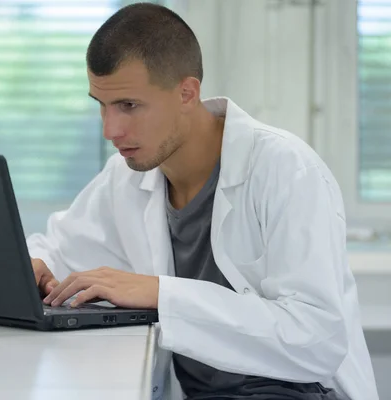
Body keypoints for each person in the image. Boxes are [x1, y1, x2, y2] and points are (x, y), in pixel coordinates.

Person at [25, 3, 378, 400]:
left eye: (129, 105)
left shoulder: (285, 169)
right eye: (101, 105)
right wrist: (33, 268)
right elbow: (57, 248)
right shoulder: (126, 175)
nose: (111, 129)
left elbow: (316, 341)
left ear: (187, 93)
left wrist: (161, 293)